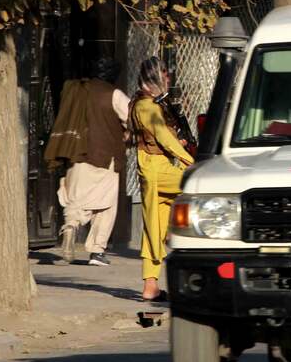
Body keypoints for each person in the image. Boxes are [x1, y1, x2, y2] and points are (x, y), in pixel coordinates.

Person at [50, 58, 130, 266]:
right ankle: (97, 250)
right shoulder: (114, 94)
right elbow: (133, 119)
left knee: (76, 199)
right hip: (105, 155)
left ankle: (70, 227)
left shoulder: (76, 90)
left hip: (76, 152)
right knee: (106, 204)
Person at [130, 56, 194, 301]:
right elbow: (163, 138)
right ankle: (173, 233)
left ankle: (150, 286)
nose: (168, 79)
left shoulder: (145, 103)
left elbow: (164, 138)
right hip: (158, 169)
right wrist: (191, 160)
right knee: (197, 184)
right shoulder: (147, 105)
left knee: (152, 227)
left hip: (154, 168)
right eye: (164, 74)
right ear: (155, 76)